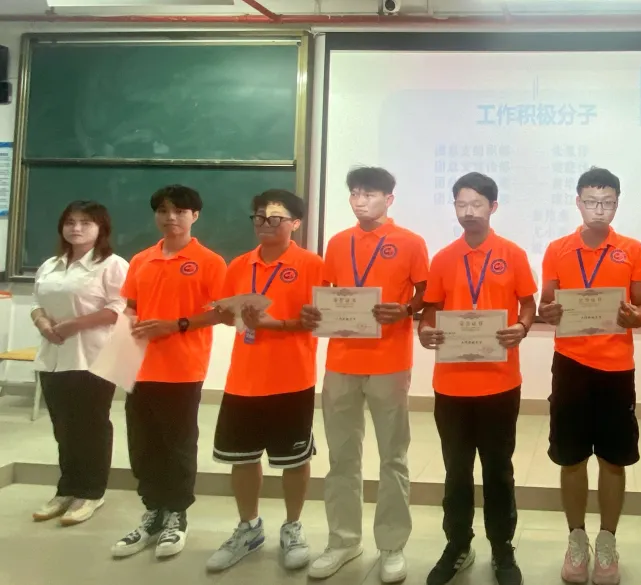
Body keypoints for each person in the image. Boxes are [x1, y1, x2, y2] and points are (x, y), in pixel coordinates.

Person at [304, 167, 428, 583]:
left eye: (370, 194)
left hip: (389, 362)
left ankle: (392, 545)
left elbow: (426, 294)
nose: (360, 201)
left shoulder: (410, 242)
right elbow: (326, 294)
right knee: (341, 457)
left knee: (393, 457)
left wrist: (406, 309)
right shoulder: (338, 242)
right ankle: (343, 540)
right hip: (340, 361)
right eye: (355, 193)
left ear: (389, 199)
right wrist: (315, 312)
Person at [418, 172, 536, 585]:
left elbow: (528, 305)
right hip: (451, 384)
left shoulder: (513, 254)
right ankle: (458, 545)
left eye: (477, 204)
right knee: (456, 471)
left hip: (500, 382)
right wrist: (425, 330)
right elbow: (430, 309)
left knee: (498, 470)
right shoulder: (443, 258)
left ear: (493, 207)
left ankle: (502, 548)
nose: (468, 212)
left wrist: (521, 327)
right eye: (461, 204)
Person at [538, 167, 641, 585]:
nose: (599, 209)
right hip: (570, 365)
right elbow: (545, 304)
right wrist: (548, 312)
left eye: (607, 202)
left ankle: (607, 541)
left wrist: (634, 316)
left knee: (613, 459)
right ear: (578, 202)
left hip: (616, 369)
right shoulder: (557, 249)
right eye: (591, 201)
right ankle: (576, 539)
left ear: (617, 203)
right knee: (571, 458)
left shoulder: (632, 249)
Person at [205, 190, 324, 573]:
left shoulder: (312, 265)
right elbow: (228, 316)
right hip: (243, 378)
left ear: (295, 223)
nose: (264, 224)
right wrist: (231, 312)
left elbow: (320, 320)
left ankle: (293, 527)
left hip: (292, 378)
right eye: (258, 217)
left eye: (275, 218)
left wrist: (276, 324)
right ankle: (248, 527)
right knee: (242, 459)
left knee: (294, 461)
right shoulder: (240, 264)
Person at [112, 185, 227, 560]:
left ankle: (176, 514)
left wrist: (176, 324)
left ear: (195, 215)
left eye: (180, 211)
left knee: (177, 445)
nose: (171, 217)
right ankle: (153, 512)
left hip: (182, 368)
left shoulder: (210, 261)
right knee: (142, 444)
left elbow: (223, 313)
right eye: (163, 211)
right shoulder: (141, 259)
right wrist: (127, 325)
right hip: (139, 366)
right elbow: (131, 305)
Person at [30, 200, 128, 526]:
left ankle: (91, 492)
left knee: (91, 427)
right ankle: (67, 488)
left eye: (86, 222)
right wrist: (42, 322)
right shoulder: (51, 265)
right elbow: (36, 302)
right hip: (53, 356)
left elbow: (118, 308)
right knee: (63, 428)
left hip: (93, 357)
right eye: (70, 222)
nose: (76, 228)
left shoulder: (112, 265)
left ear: (101, 228)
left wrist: (74, 324)